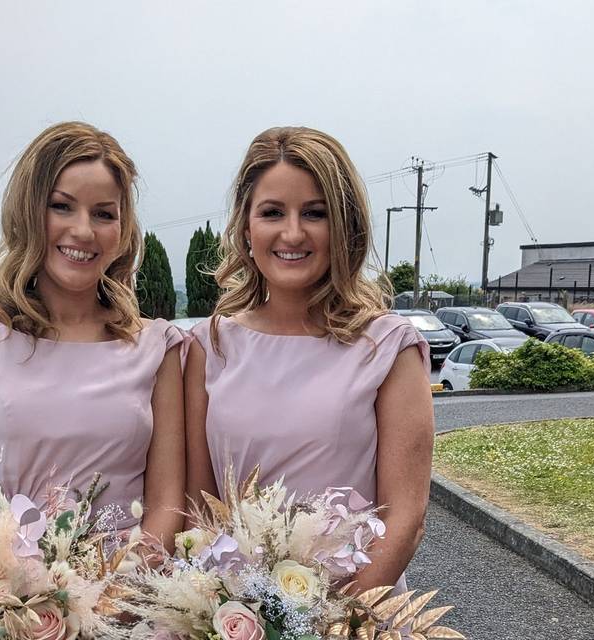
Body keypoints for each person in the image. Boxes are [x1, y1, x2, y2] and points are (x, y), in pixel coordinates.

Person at [185, 126, 434, 591]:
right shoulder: (209, 345)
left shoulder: (387, 347)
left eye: (314, 213)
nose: (292, 232)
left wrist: (333, 622)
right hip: (237, 615)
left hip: (359, 612)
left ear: (345, 226)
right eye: (273, 212)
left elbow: (405, 518)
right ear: (246, 227)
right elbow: (200, 508)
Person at [0, 121, 184, 549]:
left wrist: (118, 589)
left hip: (131, 599)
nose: (83, 231)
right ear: (28, 212)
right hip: (10, 601)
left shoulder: (157, 348)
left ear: (122, 232)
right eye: (62, 206)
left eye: (104, 213)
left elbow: (167, 505)